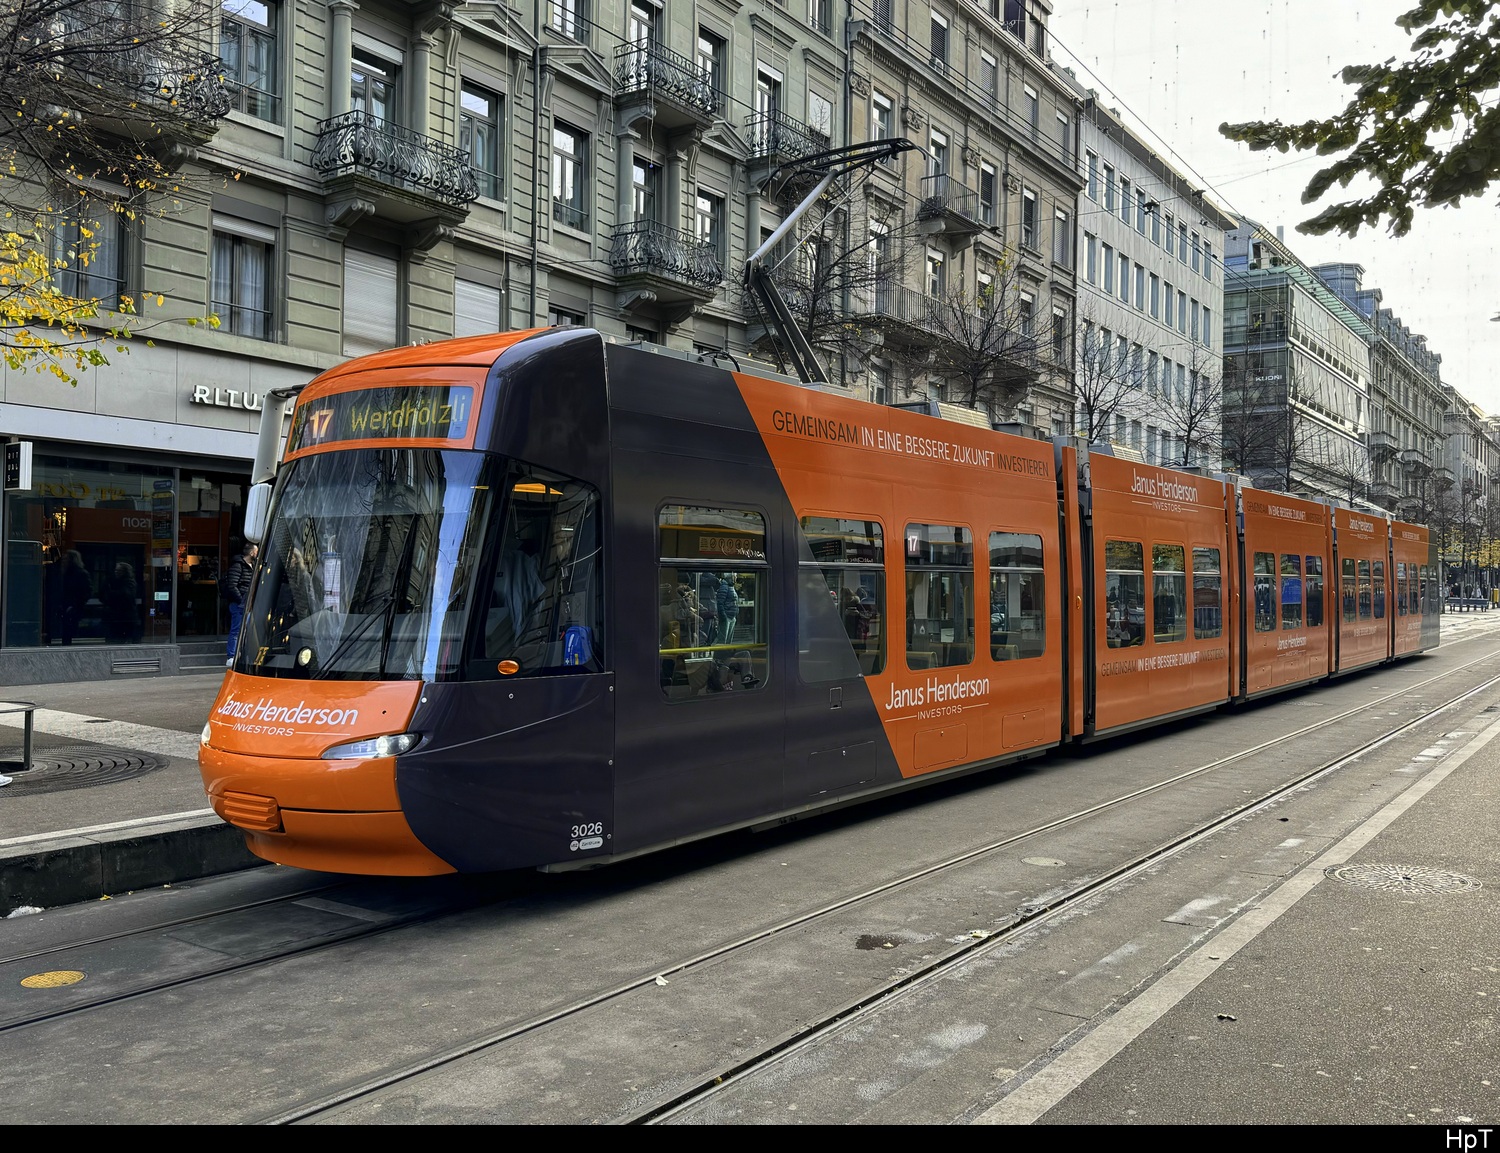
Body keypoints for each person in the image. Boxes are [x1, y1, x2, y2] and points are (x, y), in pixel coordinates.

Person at [223, 542, 258, 661]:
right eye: (256, 551)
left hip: (247, 603)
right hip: (239, 603)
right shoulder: (238, 566)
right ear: (252, 552)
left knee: (246, 630)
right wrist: (241, 600)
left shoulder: (252, 565)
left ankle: (241, 654)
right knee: (236, 630)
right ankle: (231, 656)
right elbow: (232, 585)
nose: (257, 554)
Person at [59, 549, 92, 645]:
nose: (63, 561)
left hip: (73, 608)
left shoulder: (80, 574)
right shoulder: (64, 573)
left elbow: (86, 592)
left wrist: (74, 605)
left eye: (66, 559)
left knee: (69, 633)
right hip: (65, 607)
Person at [104, 561, 139, 643]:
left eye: (119, 571)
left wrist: (111, 593)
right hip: (116, 616)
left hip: (126, 616)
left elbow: (126, 596)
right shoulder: (114, 582)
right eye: (116, 571)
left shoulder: (129, 583)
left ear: (124, 572)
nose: (116, 573)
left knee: (123, 639)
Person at [717, 572, 740, 644]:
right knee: (723, 640)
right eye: (735, 576)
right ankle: (721, 654)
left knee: (728, 641)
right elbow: (720, 603)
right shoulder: (724, 586)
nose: (736, 578)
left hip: (731, 616)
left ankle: (726, 654)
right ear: (731, 577)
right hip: (727, 616)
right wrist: (723, 616)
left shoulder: (731, 586)